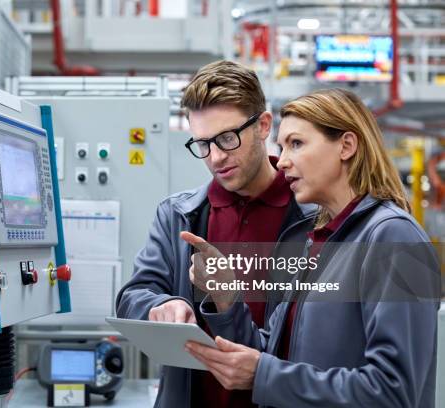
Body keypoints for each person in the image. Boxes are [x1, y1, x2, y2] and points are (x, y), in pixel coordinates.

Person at [185, 88, 440, 407]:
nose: (282, 162)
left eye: (296, 143)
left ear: (346, 145)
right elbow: (275, 354)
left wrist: (265, 375)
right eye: (281, 146)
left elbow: (393, 392)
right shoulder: (318, 244)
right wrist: (227, 298)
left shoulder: (392, 237)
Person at [115, 60, 316, 407]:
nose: (217, 157)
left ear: (263, 125)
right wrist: (164, 304)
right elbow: (133, 295)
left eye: (227, 137)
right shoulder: (178, 215)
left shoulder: (312, 219)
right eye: (203, 143)